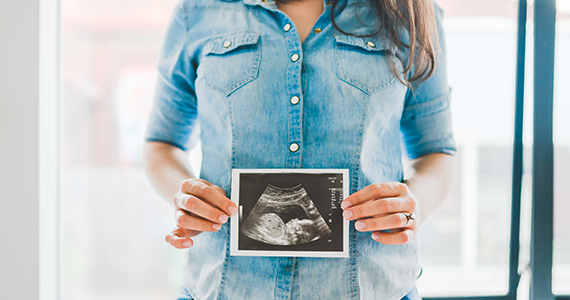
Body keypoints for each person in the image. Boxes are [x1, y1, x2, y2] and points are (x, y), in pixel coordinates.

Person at [143, 0, 456, 298]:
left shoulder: (410, 13)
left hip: (374, 287)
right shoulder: (197, 11)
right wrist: (185, 195)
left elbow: (436, 150)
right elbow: (163, 143)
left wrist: (415, 203)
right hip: (223, 287)